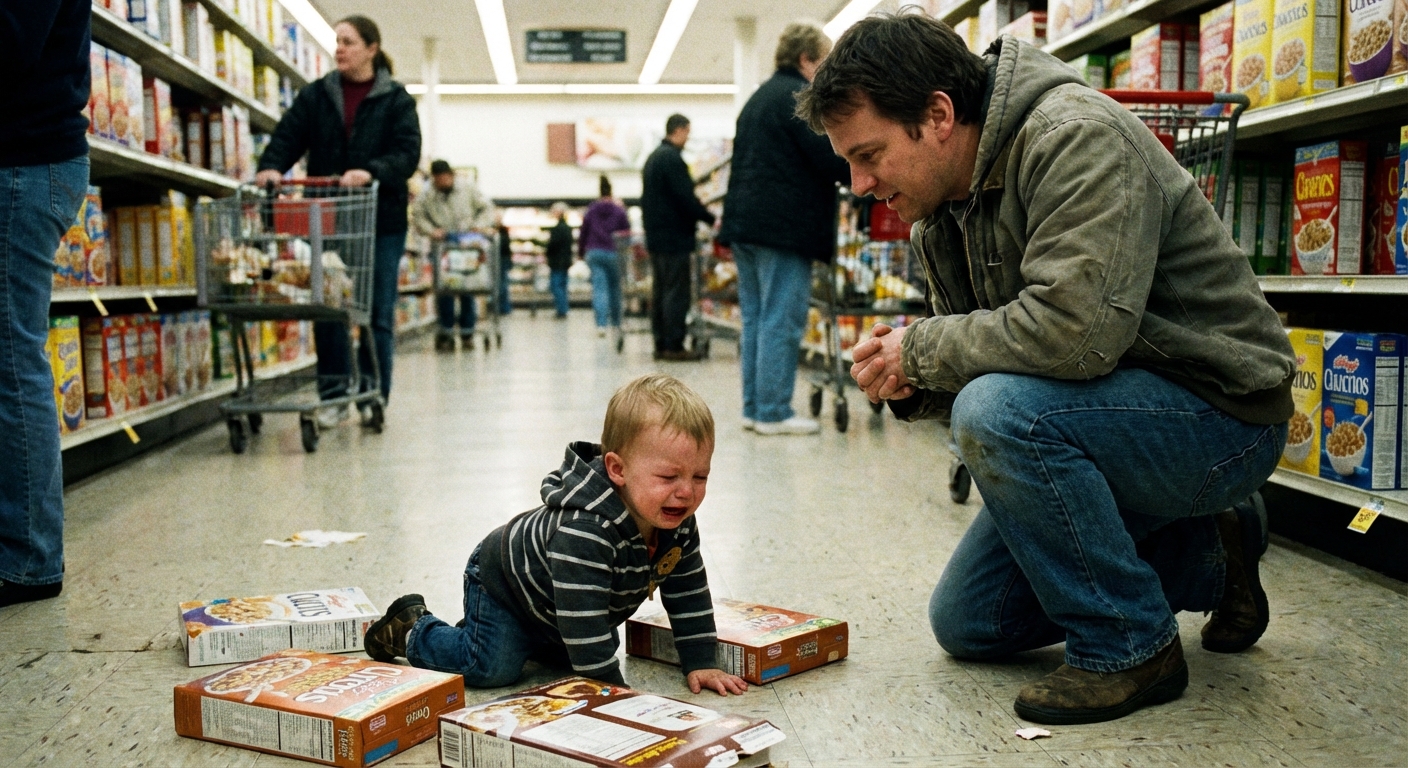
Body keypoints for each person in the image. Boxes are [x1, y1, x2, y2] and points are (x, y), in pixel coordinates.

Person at [797, 14, 1294, 724]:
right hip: (1111, 412)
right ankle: (1215, 548)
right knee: (970, 624)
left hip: (1220, 414)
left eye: (869, 153)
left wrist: (928, 351)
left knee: (997, 412)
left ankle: (1130, 645)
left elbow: (1074, 336)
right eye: (848, 161)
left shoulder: (1074, 137)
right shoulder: (938, 211)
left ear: (938, 114)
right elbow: (997, 360)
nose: (859, 182)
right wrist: (915, 384)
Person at [364, 374, 748, 696]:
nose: (686, 491)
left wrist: (701, 661)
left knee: (594, 644)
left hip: (557, 602)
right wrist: (610, 690)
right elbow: (583, 622)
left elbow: (688, 589)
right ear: (617, 469)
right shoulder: (586, 531)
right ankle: (412, 628)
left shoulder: (675, 520)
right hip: (505, 586)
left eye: (700, 476)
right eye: (669, 477)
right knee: (491, 667)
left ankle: (522, 637)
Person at [255, 15, 420, 428]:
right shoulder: (318, 95)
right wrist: (272, 166)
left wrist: (372, 170)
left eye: (348, 41)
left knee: (374, 311)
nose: (339, 49)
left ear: (371, 48)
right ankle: (333, 395)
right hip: (326, 219)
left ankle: (373, 393)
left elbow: (407, 153)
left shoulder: (397, 99)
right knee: (328, 307)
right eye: (337, 41)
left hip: (380, 222)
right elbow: (287, 136)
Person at [0, 0, 90, 608]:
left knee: (9, 354)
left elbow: (9, 43)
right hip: (28, 160)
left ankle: (29, 559)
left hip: (24, 163)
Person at [720, 23, 850, 436]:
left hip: (746, 226)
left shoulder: (758, 99)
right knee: (782, 318)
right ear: (805, 60)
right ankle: (773, 412)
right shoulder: (799, 98)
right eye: (825, 62)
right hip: (783, 227)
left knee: (758, 319)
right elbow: (828, 157)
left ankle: (754, 407)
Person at [641, 114, 716, 361]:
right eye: (688, 132)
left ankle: (661, 342)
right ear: (680, 130)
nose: (688, 138)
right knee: (676, 292)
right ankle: (674, 345)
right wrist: (710, 218)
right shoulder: (672, 159)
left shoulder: (653, 158)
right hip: (675, 237)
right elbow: (685, 199)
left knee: (661, 291)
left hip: (657, 237)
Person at [412, 159, 495, 350]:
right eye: (437, 180)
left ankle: (467, 332)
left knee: (468, 288)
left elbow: (486, 208)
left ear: (451, 176)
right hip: (443, 247)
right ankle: (446, 330)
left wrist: (479, 226)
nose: (441, 183)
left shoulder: (468, 189)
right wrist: (432, 231)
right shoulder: (427, 195)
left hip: (467, 244)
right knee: (444, 290)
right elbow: (418, 216)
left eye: (443, 179)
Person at [579, 176, 631, 337]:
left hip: (594, 252)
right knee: (615, 289)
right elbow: (626, 234)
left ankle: (601, 325)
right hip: (614, 252)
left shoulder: (591, 210)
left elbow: (583, 233)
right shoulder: (619, 210)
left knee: (599, 289)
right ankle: (616, 323)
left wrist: (581, 252)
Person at [544, 202, 574, 319]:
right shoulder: (567, 228)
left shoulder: (557, 229)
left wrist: (548, 252)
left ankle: (562, 309)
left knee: (556, 286)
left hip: (557, 262)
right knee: (563, 285)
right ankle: (564, 308)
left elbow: (553, 245)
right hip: (565, 261)